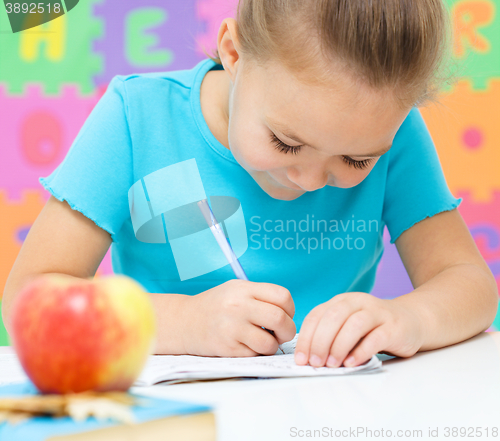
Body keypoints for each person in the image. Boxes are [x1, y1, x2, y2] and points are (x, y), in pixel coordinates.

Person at [3, 0, 498, 369]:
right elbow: (28, 302)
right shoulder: (138, 120)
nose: (309, 180)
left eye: (355, 159)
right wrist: (182, 323)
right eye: (285, 142)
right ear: (233, 52)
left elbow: (470, 284)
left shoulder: (389, 130)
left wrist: (408, 319)